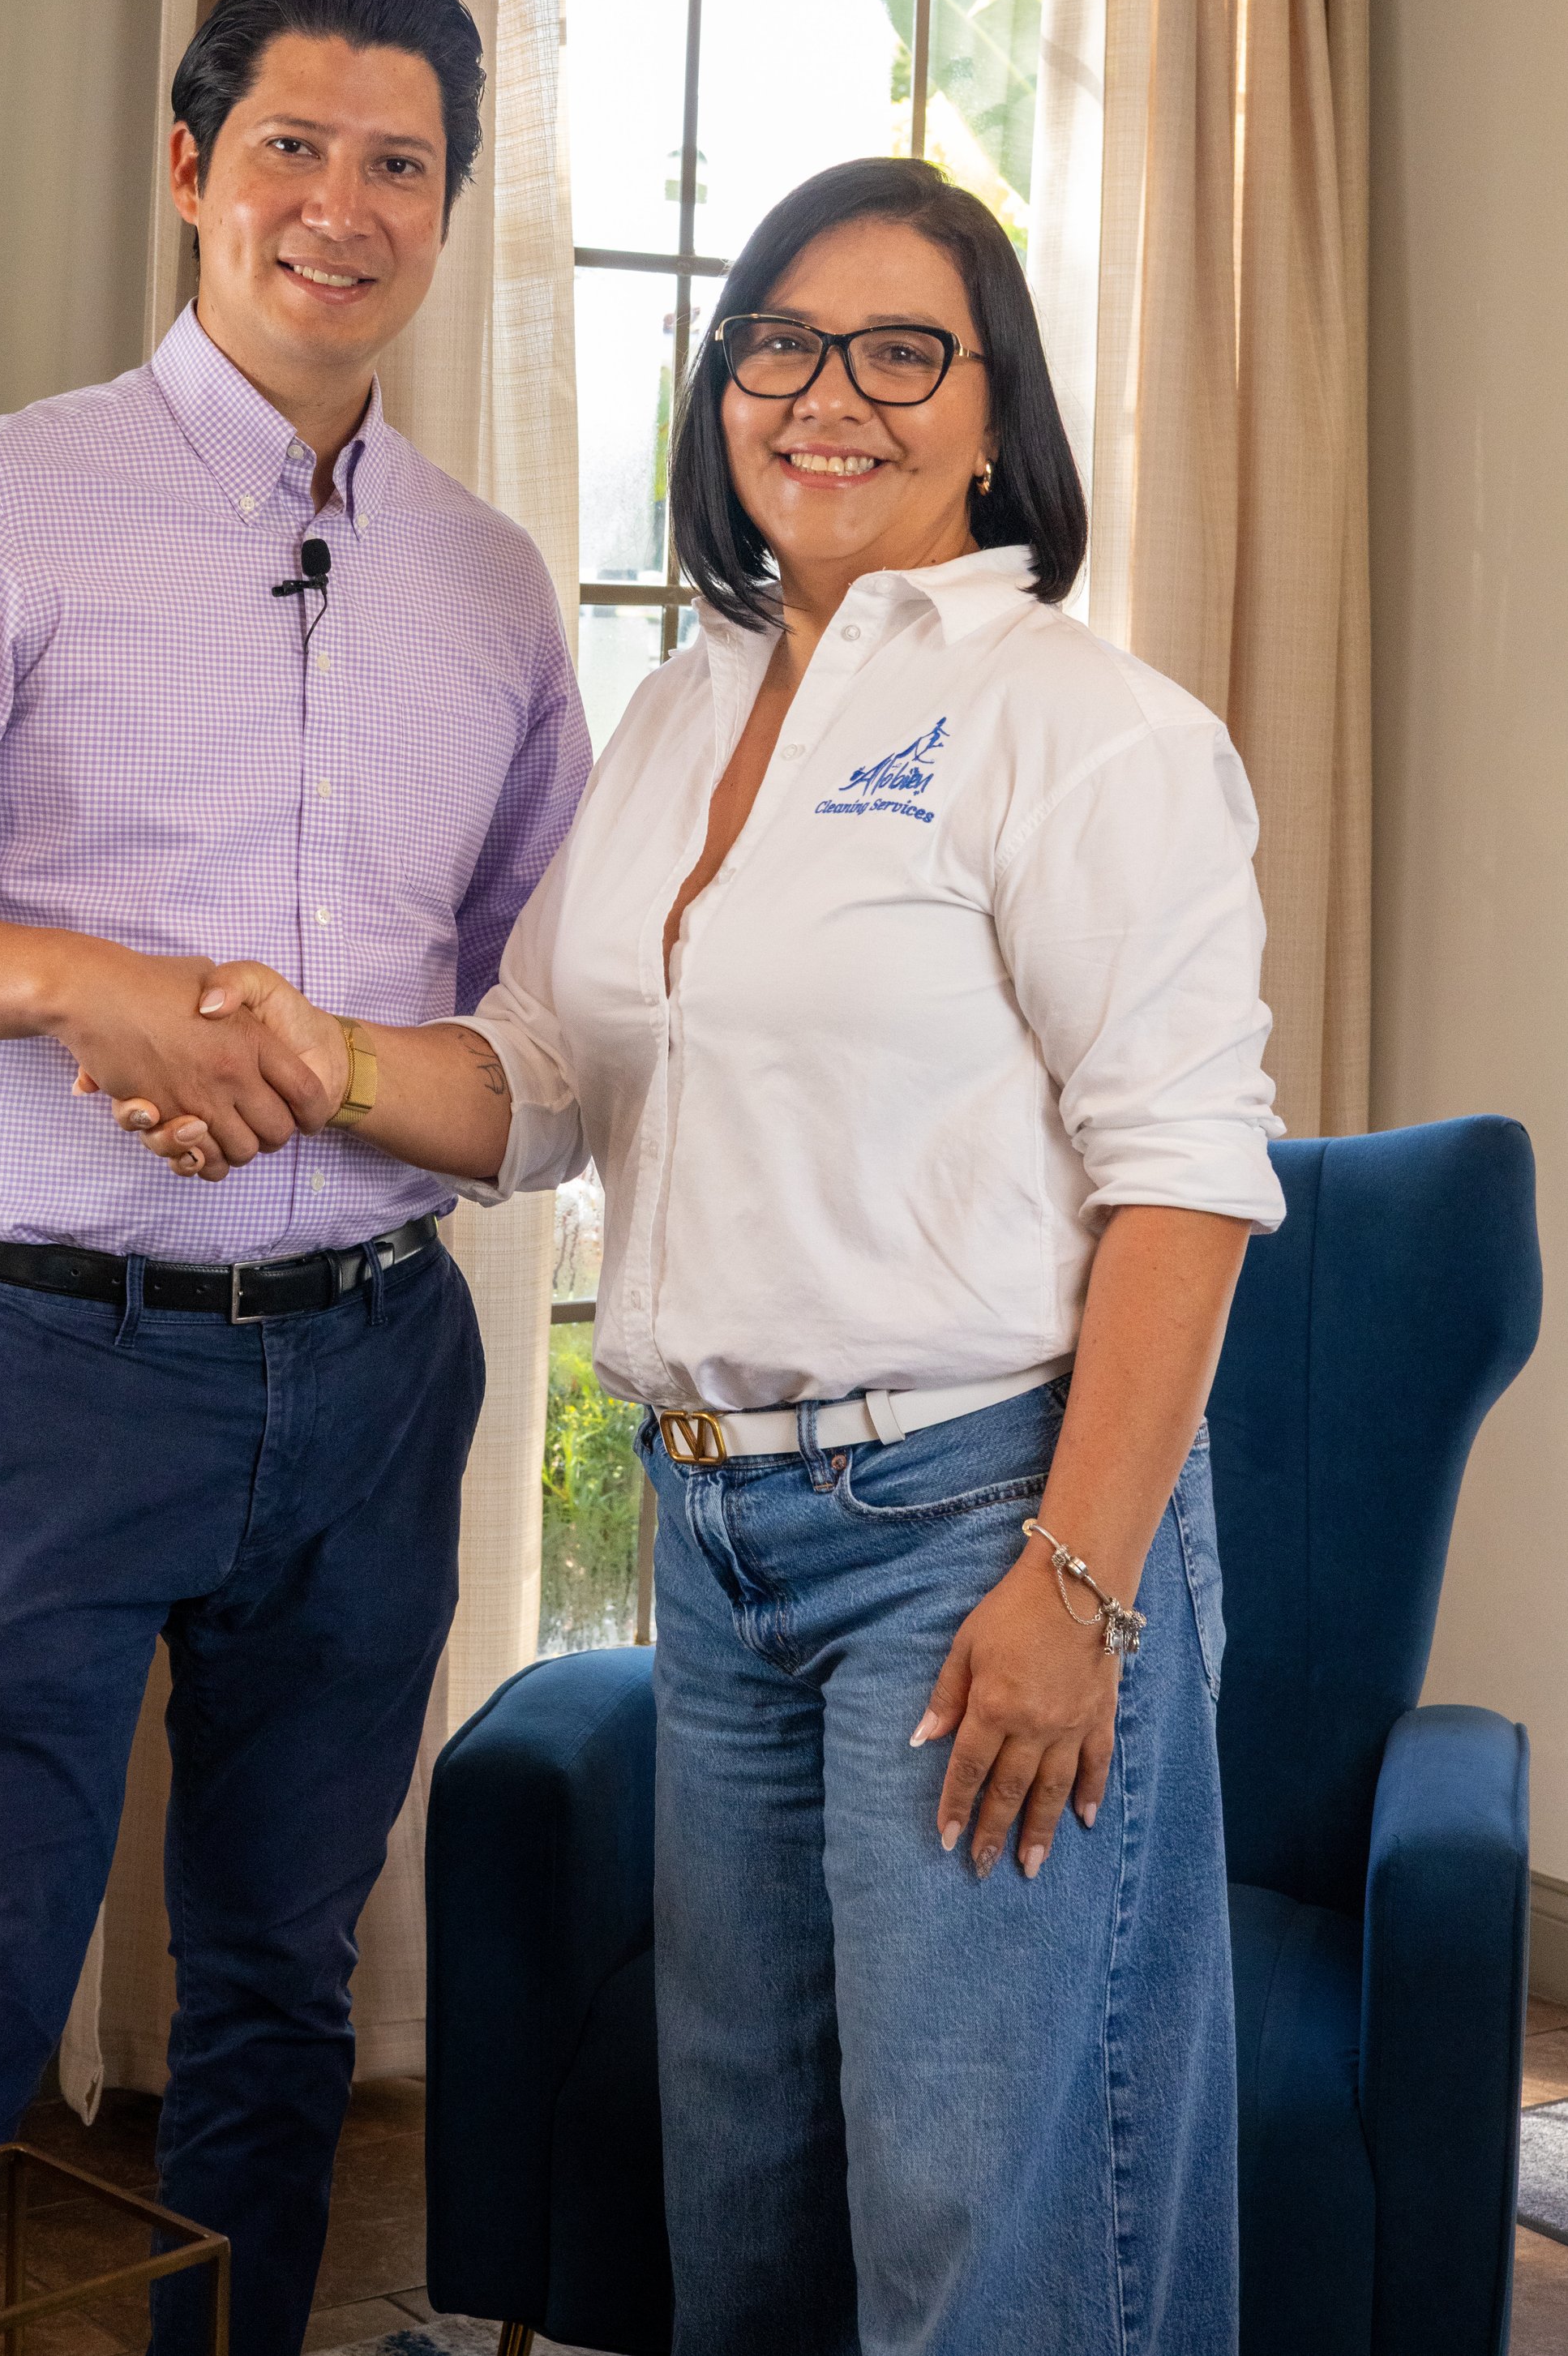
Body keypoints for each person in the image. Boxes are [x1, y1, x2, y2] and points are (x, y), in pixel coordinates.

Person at [106, 156, 1285, 2354]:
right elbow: (546, 1071)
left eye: (898, 349)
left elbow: (1186, 1176)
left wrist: (1076, 1586)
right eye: (776, 341)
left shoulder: (1083, 725)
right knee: (741, 2189)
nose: (826, 393)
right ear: (720, 384)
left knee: (982, 2218)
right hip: (718, 1532)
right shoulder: (680, 705)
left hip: (972, 1526)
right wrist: (313, 1054)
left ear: (991, 407)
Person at [0, 0, 590, 2356]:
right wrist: (73, 977)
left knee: (283, 1998)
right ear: (193, 168)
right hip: (44, 1366)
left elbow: (549, 1025)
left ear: (447, 208)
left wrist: (338, 1069)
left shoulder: (494, 587)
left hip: (374, 1374)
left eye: (399, 164)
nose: (342, 204)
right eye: (293, 147)